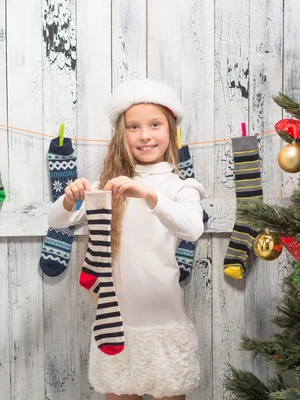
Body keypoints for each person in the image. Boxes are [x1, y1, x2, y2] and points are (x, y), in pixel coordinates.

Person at [47, 79, 205, 399]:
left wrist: (146, 194)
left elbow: (191, 228)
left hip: (164, 321)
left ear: (171, 130)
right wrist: (69, 198)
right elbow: (57, 220)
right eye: (134, 127)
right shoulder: (107, 186)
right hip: (115, 324)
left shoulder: (181, 187)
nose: (145, 135)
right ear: (122, 134)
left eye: (155, 124)